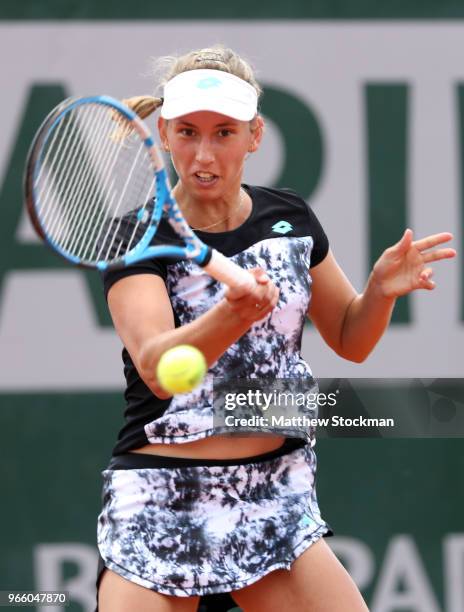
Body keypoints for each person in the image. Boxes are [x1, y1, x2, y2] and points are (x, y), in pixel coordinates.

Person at [95, 46, 456, 612]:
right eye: (188, 132)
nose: (204, 153)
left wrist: (380, 292)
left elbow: (350, 337)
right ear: (163, 133)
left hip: (273, 491)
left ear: (255, 135)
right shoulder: (138, 235)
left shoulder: (291, 219)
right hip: (160, 495)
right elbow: (158, 368)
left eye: (224, 133)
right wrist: (231, 315)